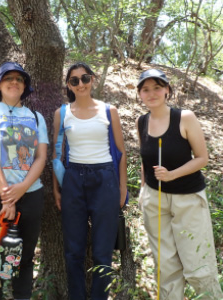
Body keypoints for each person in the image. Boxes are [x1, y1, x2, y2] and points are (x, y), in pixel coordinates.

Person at [136, 69, 223, 299]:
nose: (151, 93)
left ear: (167, 90)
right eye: (145, 89)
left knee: (198, 265)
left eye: (157, 87)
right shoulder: (142, 121)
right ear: (140, 94)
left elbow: (202, 158)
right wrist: (143, 189)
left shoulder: (185, 118)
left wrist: (173, 174)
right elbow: (145, 160)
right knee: (166, 267)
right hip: (154, 200)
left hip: (188, 199)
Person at [0, 61, 48, 300]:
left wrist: (22, 189)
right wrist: (7, 196)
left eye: (19, 79)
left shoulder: (36, 118)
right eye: (8, 78)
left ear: (24, 86)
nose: (14, 82)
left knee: (24, 258)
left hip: (31, 194)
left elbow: (41, 157)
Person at [52, 62, 127, 300]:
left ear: (92, 79)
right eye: (74, 80)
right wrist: (56, 189)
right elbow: (56, 154)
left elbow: (121, 152)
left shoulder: (109, 111)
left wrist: (122, 189)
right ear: (69, 85)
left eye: (85, 78)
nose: (81, 84)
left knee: (103, 252)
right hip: (73, 181)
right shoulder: (61, 113)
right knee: (73, 251)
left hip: (105, 181)